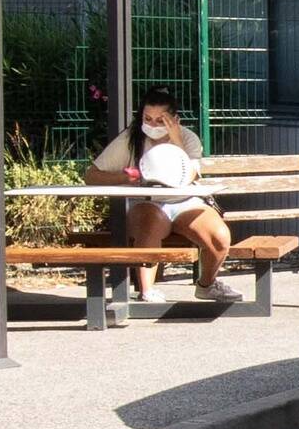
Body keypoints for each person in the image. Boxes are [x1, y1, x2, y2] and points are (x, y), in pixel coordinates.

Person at [92, 95, 234, 295]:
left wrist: (176, 139)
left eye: (161, 121)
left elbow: (187, 176)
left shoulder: (188, 138)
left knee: (219, 237)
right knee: (150, 223)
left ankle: (206, 284)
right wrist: (125, 176)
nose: (152, 125)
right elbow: (92, 176)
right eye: (147, 119)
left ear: (175, 120)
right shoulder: (130, 139)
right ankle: (147, 292)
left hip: (185, 202)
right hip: (145, 203)